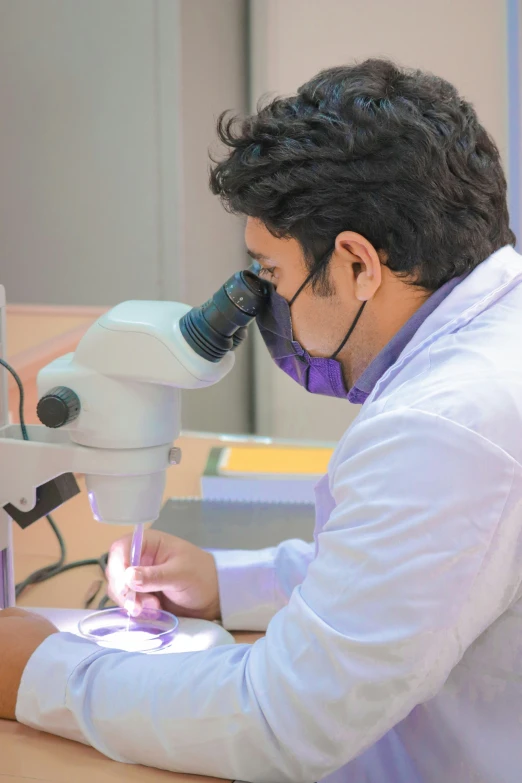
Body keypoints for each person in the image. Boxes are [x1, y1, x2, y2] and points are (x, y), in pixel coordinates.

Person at [1, 58, 522, 783]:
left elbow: (282, 722)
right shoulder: (497, 339)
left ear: (359, 264)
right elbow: (411, 576)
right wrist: (226, 582)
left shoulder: (445, 427)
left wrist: (39, 671)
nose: (263, 305)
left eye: (271, 275)